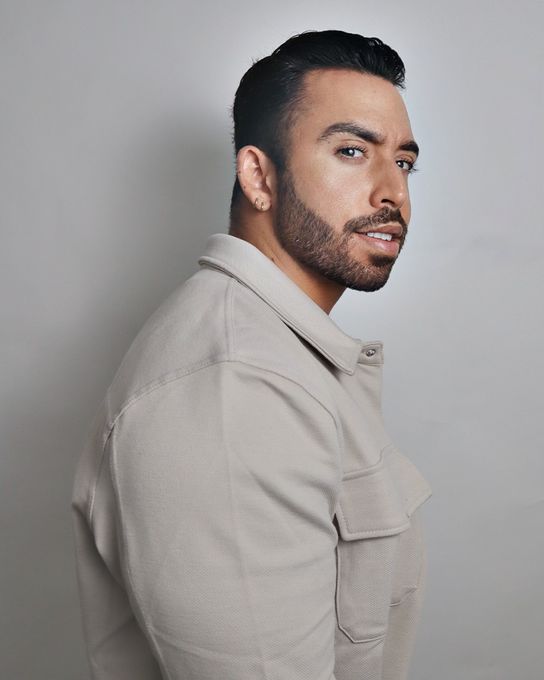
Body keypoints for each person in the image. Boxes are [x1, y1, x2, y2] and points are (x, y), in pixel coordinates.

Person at [71, 29, 432, 680]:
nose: (392, 193)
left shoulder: (279, 355)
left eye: (403, 162)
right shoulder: (235, 391)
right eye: (352, 151)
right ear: (259, 176)